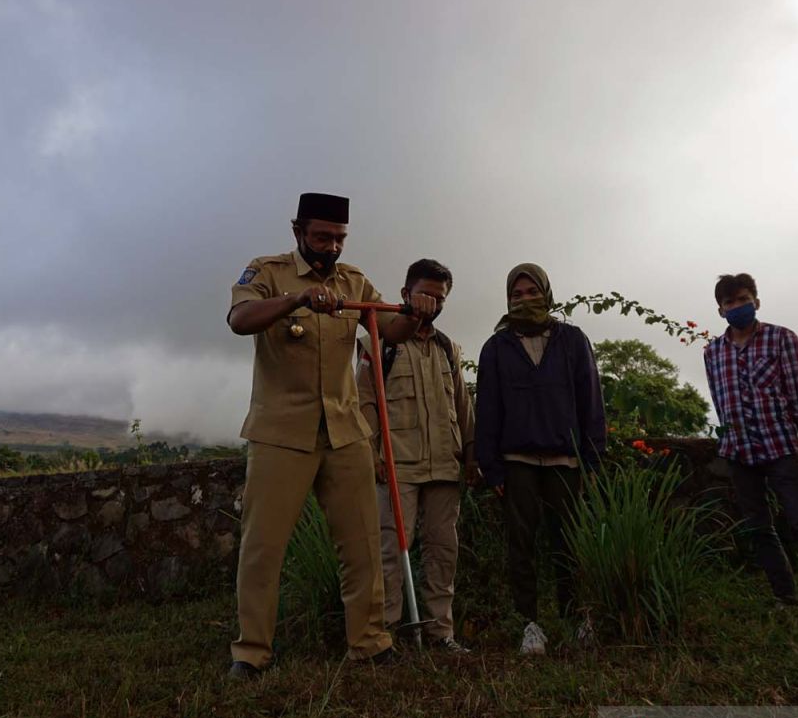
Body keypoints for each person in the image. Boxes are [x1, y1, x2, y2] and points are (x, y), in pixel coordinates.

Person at [225, 192, 436, 679]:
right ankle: (251, 653)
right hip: (281, 433)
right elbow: (239, 321)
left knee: (362, 543)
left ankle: (369, 643)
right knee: (262, 548)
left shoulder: (354, 280)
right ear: (298, 231)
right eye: (322, 237)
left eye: (339, 238)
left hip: (345, 433)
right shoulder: (267, 271)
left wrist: (420, 311)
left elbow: (392, 328)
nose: (332, 247)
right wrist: (295, 299)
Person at [475, 264, 606, 655]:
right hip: (517, 463)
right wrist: (491, 466)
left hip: (566, 462)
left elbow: (590, 401)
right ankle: (528, 623)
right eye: (517, 294)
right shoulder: (496, 347)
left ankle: (575, 618)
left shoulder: (572, 340)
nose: (525, 299)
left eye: (532, 292)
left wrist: (592, 461)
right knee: (522, 545)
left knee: (569, 541)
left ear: (546, 294)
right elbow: (488, 411)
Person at [356, 259, 476, 653]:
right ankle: (387, 635)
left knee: (444, 551)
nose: (431, 303)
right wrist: (373, 453)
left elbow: (463, 405)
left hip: (445, 464)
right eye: (424, 294)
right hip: (397, 466)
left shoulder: (448, 348)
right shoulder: (380, 342)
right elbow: (366, 401)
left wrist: (470, 455)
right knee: (390, 550)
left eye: (439, 297)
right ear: (406, 293)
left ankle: (441, 633)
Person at [704, 273, 798, 613]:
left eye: (743, 299)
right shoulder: (713, 352)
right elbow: (719, 398)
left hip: (779, 446)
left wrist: (785, 425)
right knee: (758, 528)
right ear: (721, 310)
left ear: (756, 301)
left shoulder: (781, 339)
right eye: (730, 303)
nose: (737, 307)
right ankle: (785, 598)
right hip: (738, 450)